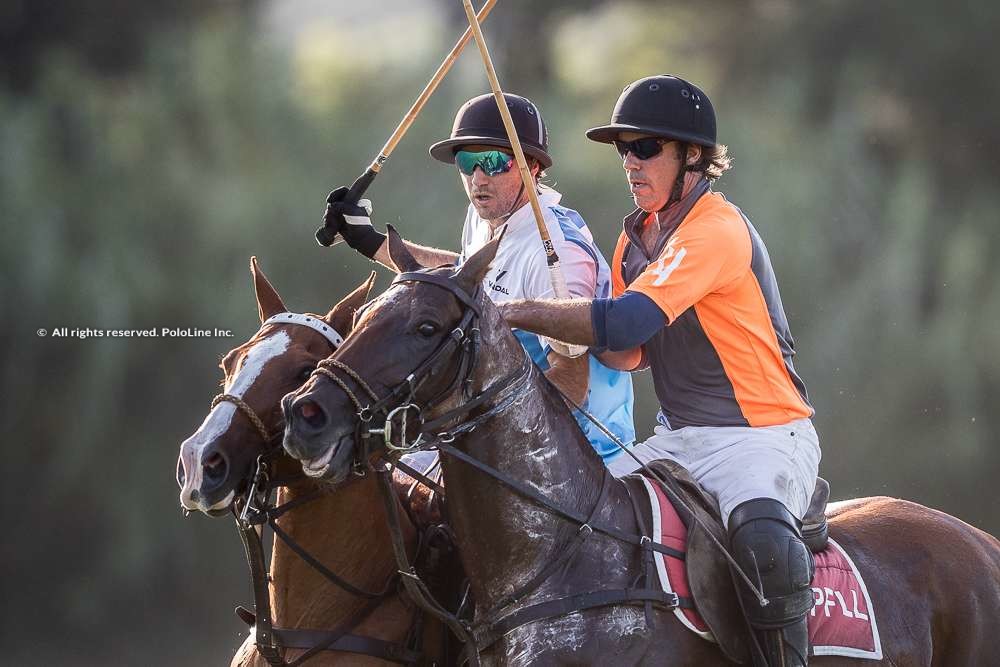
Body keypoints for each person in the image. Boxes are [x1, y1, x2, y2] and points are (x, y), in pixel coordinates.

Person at [496, 75, 820, 666]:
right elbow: (624, 353)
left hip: (764, 438)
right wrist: (558, 307)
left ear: (693, 156)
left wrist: (511, 311)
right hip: (680, 441)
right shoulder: (634, 242)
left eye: (645, 148)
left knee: (761, 542)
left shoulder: (716, 230)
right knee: (576, 515)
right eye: (624, 150)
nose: (630, 162)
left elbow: (619, 325)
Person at [319, 92, 635, 463]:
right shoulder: (490, 217)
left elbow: (571, 383)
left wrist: (468, 418)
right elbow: (464, 277)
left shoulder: (554, 252)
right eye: (467, 163)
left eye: (493, 161)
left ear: (532, 166)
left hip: (585, 452)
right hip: (506, 430)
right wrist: (371, 242)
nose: (478, 178)